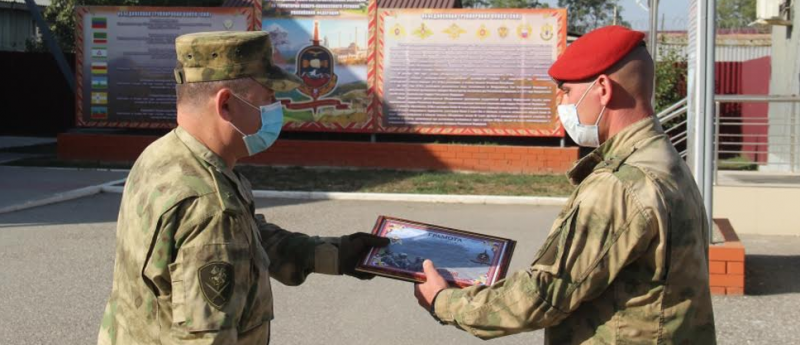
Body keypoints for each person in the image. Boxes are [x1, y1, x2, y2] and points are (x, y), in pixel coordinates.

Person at [414, 26, 717, 344]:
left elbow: (543, 295)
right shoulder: (664, 159)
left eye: (567, 91)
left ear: (602, 89)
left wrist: (444, 301)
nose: (563, 104)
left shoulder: (619, 185)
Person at [97, 31, 388, 344]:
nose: (277, 108)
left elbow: (248, 238)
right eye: (268, 98)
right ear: (226, 105)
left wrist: (338, 255)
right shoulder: (210, 206)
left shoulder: (164, 156)